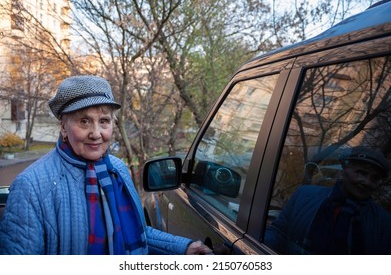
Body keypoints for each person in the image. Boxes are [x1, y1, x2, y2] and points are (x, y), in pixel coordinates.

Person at [0, 75, 212, 255]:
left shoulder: (117, 170)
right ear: (64, 127)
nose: (96, 133)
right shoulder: (31, 187)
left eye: (104, 121)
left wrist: (184, 248)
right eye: (84, 121)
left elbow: (138, 232)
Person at [264, 146, 391, 254]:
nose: (366, 182)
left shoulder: (383, 222)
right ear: (341, 172)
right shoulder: (304, 195)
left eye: (374, 178)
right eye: (361, 173)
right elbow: (279, 233)